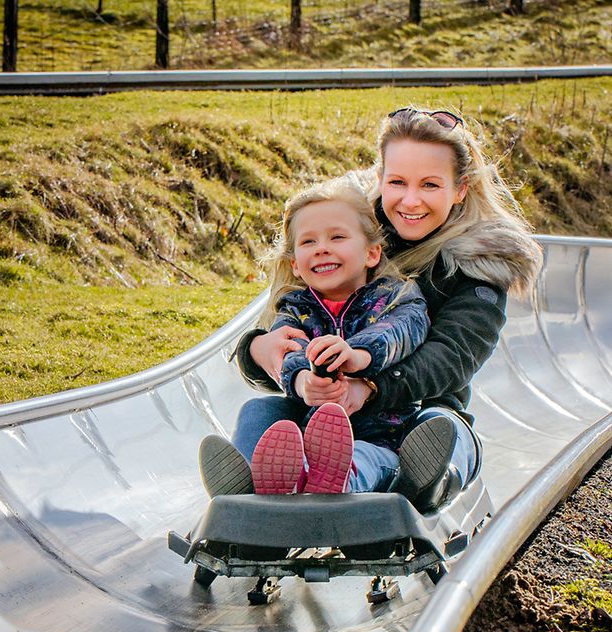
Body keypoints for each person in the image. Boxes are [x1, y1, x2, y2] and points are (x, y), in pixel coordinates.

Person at [206, 107, 543, 510]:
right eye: (398, 182)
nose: (411, 200)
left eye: (430, 185)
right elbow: (295, 315)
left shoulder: (478, 266)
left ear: (460, 188)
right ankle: (246, 492)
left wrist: (368, 387)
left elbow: (451, 357)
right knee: (262, 410)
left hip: (413, 414)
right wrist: (258, 350)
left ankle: (417, 484)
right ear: (380, 177)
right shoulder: (346, 234)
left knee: (445, 431)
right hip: (319, 412)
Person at [201, 176, 429, 496]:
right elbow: (289, 348)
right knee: (258, 409)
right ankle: (248, 486)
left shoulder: (396, 296)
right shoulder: (296, 307)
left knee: (363, 457)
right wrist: (303, 383)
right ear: (295, 264)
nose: (322, 249)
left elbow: (401, 331)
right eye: (308, 242)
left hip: (381, 440)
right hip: (308, 440)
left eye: (337, 237)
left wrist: (356, 356)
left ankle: (333, 480)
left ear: (371, 253)